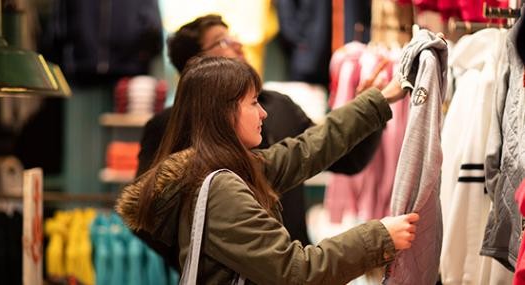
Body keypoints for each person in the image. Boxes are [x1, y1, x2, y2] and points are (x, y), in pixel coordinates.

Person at [117, 55, 419, 284]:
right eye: (253, 103)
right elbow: (295, 271)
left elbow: (305, 151)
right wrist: (379, 236)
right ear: (223, 113)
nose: (263, 112)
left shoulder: (226, 169)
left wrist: (375, 102)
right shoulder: (220, 191)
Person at [136, 14, 382, 248]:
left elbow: (347, 159)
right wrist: (200, 256)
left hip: (291, 258)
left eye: (234, 37)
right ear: (198, 64)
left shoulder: (279, 105)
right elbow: (148, 213)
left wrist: (370, 107)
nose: (238, 45)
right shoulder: (169, 125)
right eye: (223, 41)